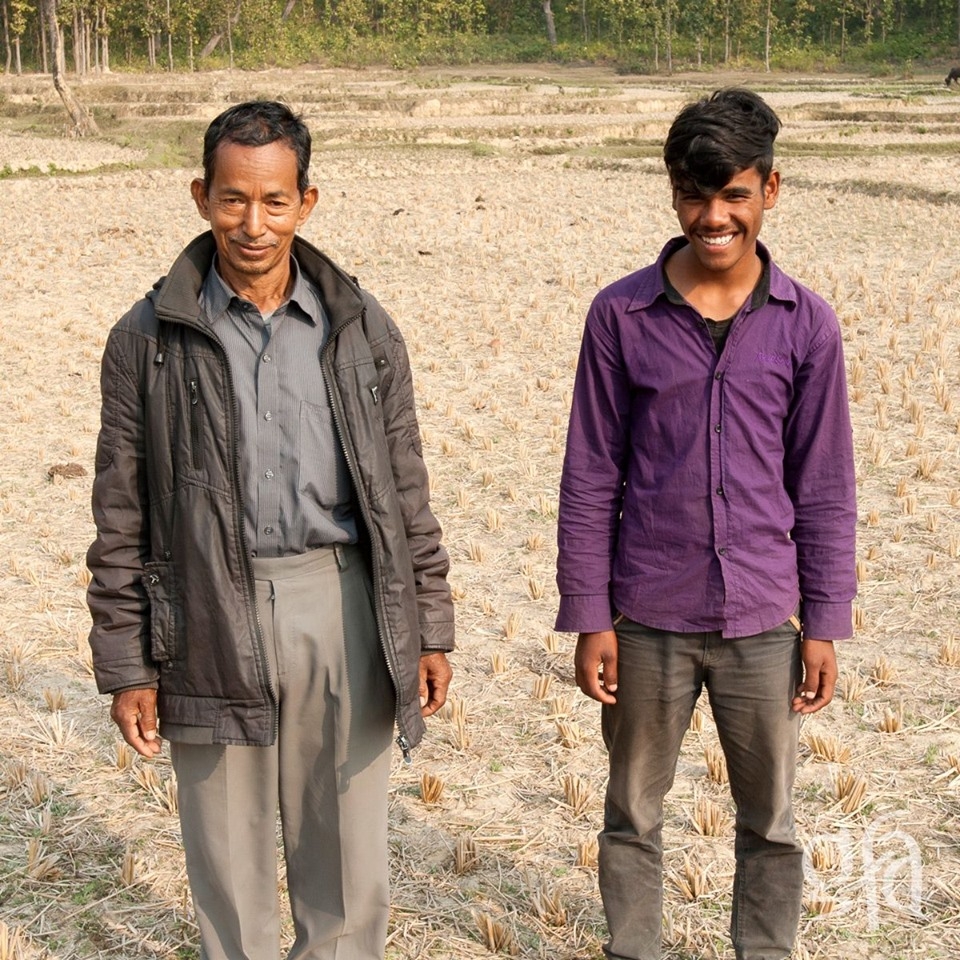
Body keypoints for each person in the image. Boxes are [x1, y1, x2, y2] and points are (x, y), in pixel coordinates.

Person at [86, 100, 454, 960]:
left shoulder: (363, 330)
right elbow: (119, 514)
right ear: (201, 196)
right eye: (232, 199)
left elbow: (405, 492)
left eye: (274, 200)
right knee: (228, 862)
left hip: (341, 601)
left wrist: (429, 625)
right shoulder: (146, 342)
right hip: (207, 611)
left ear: (307, 201)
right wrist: (126, 661)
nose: (253, 223)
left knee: (347, 866)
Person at [555, 88, 856, 960]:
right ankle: (634, 949)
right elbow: (590, 472)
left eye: (733, 195)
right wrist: (590, 614)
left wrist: (825, 622)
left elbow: (825, 484)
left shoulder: (808, 326)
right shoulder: (621, 315)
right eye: (694, 193)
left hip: (765, 616)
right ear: (672, 191)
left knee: (770, 820)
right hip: (647, 613)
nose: (713, 216)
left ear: (771, 189)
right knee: (633, 812)